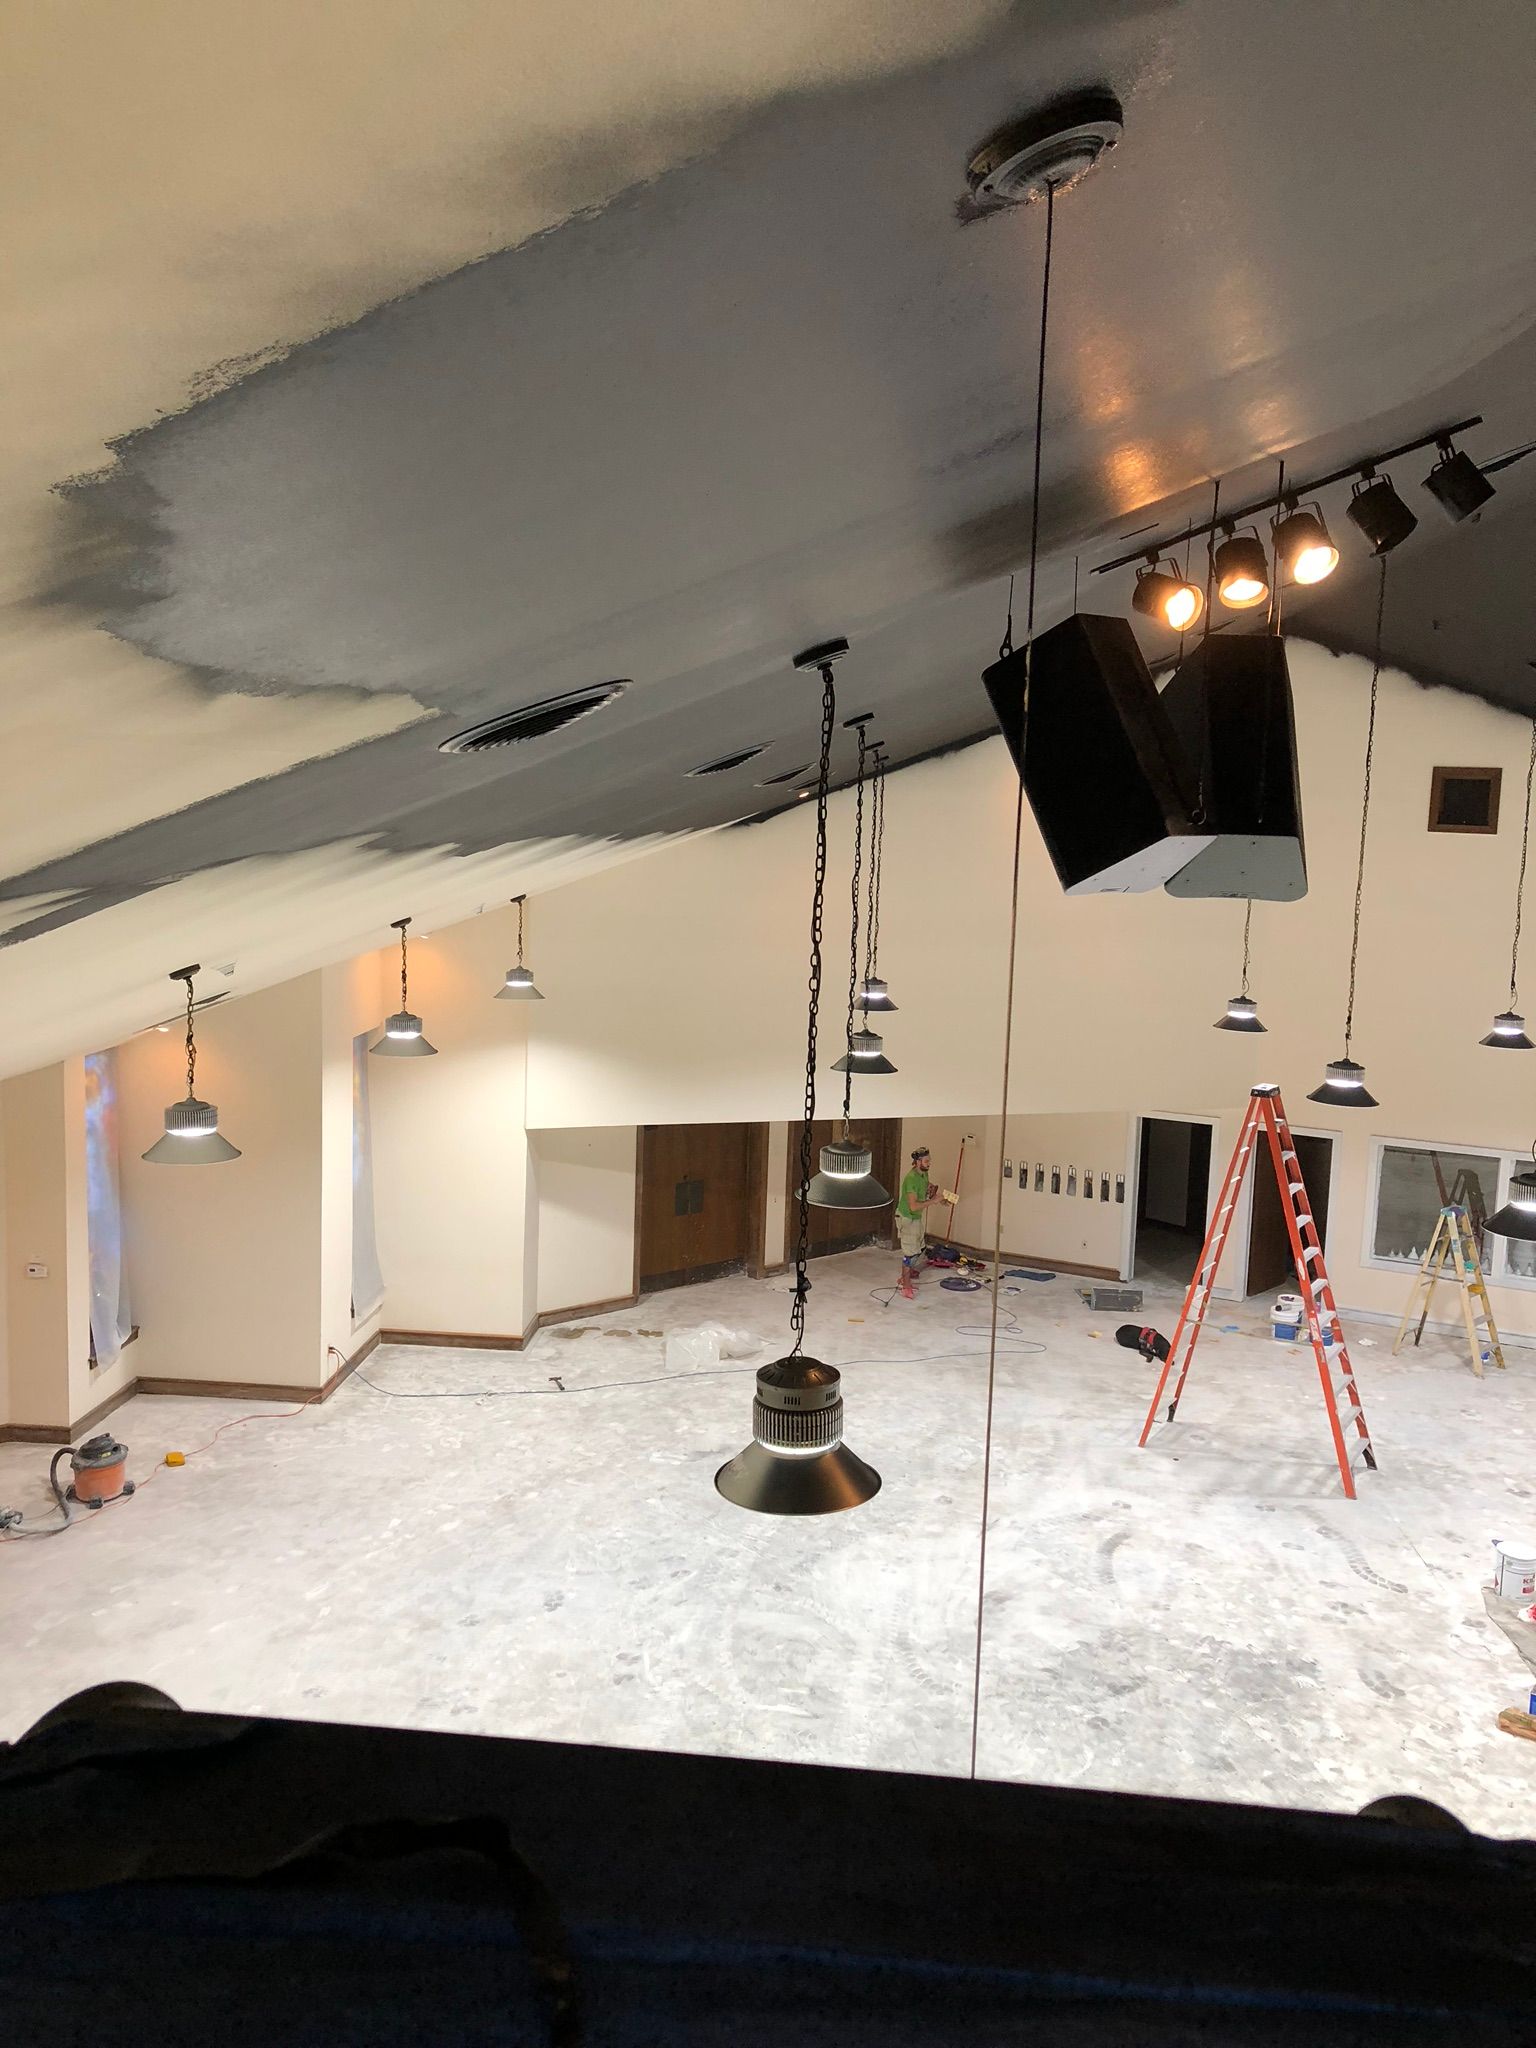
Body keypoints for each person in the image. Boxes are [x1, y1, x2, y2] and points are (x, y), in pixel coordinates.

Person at [896, 1146, 947, 1299]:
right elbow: (913, 1205)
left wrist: (935, 1192)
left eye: (929, 1161)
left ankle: (906, 1275)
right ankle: (906, 1286)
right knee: (909, 1253)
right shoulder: (910, 1179)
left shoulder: (923, 1174)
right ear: (917, 1162)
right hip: (907, 1217)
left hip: (916, 1218)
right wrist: (933, 1201)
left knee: (918, 1248)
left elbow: (926, 1186)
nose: (929, 1163)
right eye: (926, 1161)